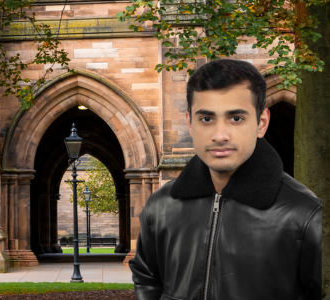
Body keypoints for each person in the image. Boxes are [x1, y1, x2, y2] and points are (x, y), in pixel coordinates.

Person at [128, 59, 321, 300]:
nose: (220, 136)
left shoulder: (306, 214)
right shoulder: (161, 205)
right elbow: (147, 277)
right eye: (206, 119)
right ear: (190, 123)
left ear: (261, 123)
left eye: (236, 118)